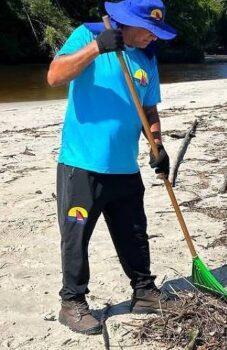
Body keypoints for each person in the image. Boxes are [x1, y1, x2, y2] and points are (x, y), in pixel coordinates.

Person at [47, 0, 177, 335]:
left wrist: (157, 146)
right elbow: (54, 76)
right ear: (127, 22)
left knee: (134, 233)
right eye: (150, 30)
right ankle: (72, 302)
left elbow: (150, 111)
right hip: (82, 164)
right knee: (76, 239)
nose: (155, 38)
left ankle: (145, 292)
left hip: (124, 166)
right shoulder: (89, 34)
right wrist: (96, 48)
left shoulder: (147, 57)